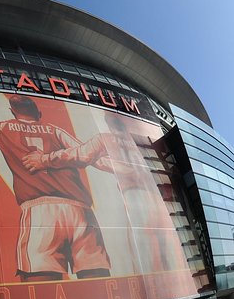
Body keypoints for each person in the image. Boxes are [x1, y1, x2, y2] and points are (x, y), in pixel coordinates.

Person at [22, 112, 187, 274]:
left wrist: (45, 159)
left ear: (111, 126)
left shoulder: (108, 139)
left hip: (137, 196)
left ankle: (159, 286)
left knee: (144, 247)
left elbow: (80, 154)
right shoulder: (142, 143)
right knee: (167, 245)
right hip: (162, 199)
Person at [0, 95, 110, 282]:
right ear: (40, 113)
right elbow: (95, 160)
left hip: (41, 211)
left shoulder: (1, 128)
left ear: (13, 112)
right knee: (97, 277)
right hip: (81, 211)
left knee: (40, 281)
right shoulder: (55, 131)